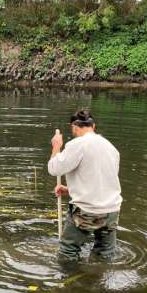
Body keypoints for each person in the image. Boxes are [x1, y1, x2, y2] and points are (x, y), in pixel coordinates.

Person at [47, 109, 122, 261]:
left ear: (74, 127)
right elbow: (103, 181)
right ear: (93, 126)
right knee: (105, 254)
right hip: (111, 210)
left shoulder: (77, 144)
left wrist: (56, 146)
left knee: (67, 252)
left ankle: (70, 282)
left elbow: (54, 169)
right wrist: (70, 189)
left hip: (87, 211)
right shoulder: (111, 147)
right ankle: (100, 279)